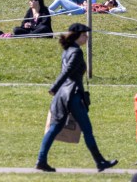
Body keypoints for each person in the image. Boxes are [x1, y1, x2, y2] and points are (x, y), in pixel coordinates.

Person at [36, 23, 117, 173]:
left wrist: (56, 88)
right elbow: (67, 71)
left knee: (55, 128)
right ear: (78, 36)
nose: (86, 37)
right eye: (84, 35)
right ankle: (100, 162)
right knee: (87, 129)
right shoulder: (76, 52)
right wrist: (54, 86)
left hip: (62, 94)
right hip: (72, 94)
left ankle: (41, 160)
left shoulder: (67, 50)